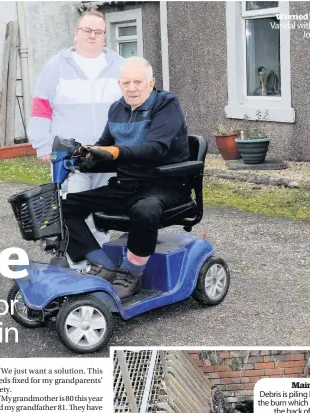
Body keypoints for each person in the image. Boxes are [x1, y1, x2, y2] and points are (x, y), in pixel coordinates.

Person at [61, 56, 191, 300]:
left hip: (166, 186)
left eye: (138, 82)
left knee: (145, 210)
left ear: (151, 82)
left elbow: (156, 149)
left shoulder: (166, 104)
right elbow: (105, 147)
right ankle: (103, 265)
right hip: (126, 186)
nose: (131, 88)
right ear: (119, 84)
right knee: (63, 208)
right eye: (126, 82)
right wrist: (85, 157)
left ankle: (132, 272)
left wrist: (116, 152)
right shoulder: (116, 109)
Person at [28, 6, 124, 259]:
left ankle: (101, 262)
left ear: (105, 36)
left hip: (108, 154)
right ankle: (78, 265)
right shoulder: (55, 66)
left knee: (102, 211)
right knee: (72, 210)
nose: (92, 35)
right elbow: (41, 108)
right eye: (87, 30)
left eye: (98, 32)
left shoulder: (120, 66)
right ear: (76, 33)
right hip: (71, 157)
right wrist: (43, 145)